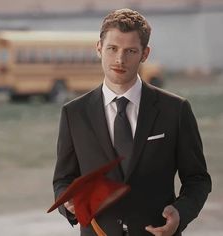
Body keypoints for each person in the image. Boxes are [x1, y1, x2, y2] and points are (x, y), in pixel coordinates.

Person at [52, 8, 211, 236]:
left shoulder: (175, 110)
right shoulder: (74, 113)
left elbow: (197, 179)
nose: (120, 59)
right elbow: (63, 180)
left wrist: (180, 213)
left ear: (144, 54)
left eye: (130, 51)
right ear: (99, 48)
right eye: (112, 48)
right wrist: (68, 205)